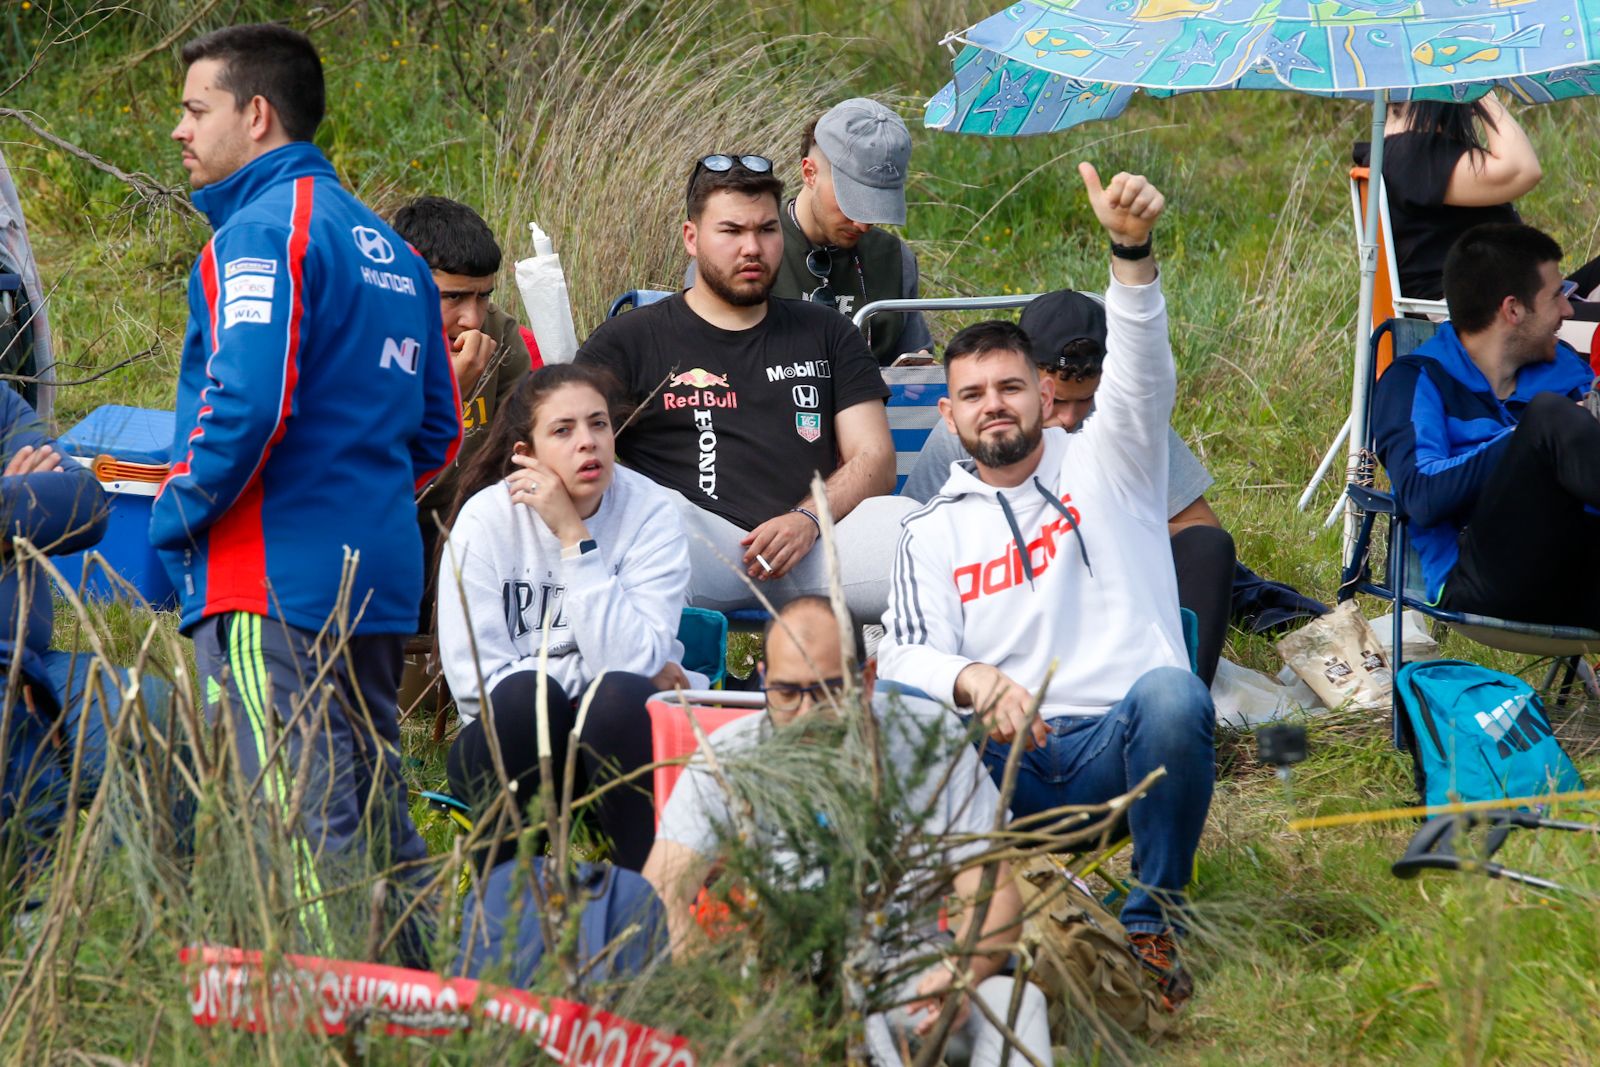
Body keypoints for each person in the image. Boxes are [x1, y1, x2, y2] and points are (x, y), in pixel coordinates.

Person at [154, 24, 460, 966]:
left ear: (256, 114)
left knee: (302, 827)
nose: (178, 131)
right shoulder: (395, 252)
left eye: (195, 109)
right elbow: (436, 430)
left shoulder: (260, 233)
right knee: (376, 817)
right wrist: (351, 497)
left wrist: (174, 515)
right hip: (372, 582)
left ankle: (340, 1019)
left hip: (268, 585)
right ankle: (424, 1007)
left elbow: (246, 403)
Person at [876, 164, 1215, 1008]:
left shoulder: (1111, 462)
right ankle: (953, 923)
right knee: (902, 712)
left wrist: (1129, 253)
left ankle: (1152, 920)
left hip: (1117, 751)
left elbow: (1142, 372)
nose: (996, 405)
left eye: (1011, 388)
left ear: (1045, 394)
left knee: (1175, 694)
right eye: (974, 394)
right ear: (948, 415)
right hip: (1003, 762)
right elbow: (899, 655)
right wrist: (971, 677)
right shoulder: (929, 527)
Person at [641, 596, 1052, 1067]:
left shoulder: (927, 745)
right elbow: (660, 893)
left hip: (907, 980)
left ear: (867, 681)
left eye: (826, 691)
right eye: (786, 693)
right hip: (779, 989)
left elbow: (992, 896)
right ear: (762, 679)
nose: (806, 713)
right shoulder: (726, 759)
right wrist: (718, 994)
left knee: (1016, 1005)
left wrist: (963, 971)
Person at [576, 154, 913, 620]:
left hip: (812, 545)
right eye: (731, 231)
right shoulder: (629, 340)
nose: (752, 248)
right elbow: (573, 445)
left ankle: (909, 686)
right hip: (695, 550)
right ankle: (654, 687)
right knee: (652, 515)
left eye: (766, 230)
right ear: (692, 239)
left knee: (907, 530)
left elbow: (874, 459)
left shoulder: (828, 331)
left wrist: (807, 518)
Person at [903, 289, 1237, 683]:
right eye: (1056, 400)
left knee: (1211, 550)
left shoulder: (1121, 424)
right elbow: (911, 533)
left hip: (1110, 596)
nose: (1068, 418)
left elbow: (1202, 531)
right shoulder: (980, 428)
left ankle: (1184, 689)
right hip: (1005, 597)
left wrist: (1102, 529)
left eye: (1087, 400)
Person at [440, 365, 699, 873]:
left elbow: (633, 664)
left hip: (622, 738)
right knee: (524, 701)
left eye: (598, 424)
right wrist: (583, 682)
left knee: (621, 699)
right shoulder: (485, 522)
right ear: (525, 453)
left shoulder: (650, 512)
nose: (588, 443)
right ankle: (509, 917)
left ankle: (647, 911)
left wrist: (573, 538)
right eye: (563, 430)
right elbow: (477, 686)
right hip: (513, 749)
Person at [1373, 223, 1600, 627]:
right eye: (1555, 297)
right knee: (1547, 418)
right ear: (1512, 310)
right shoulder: (1417, 378)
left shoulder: (1565, 366)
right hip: (1481, 577)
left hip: (1580, 567)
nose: (1568, 310)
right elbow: (1422, 495)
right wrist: (1524, 439)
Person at [0, 390, 170, 884]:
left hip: (33, 668)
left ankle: (129, 920)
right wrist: (16, 507)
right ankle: (26, 913)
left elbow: (85, 504)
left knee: (144, 707)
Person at [685, 99, 932, 364]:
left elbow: (915, 355)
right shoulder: (743, 248)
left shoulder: (895, 260)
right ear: (809, 173)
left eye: (876, 208)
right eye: (852, 203)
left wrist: (919, 374)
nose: (862, 225)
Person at [391, 195, 541, 632]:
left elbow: (525, 452)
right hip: (392, 521)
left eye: (483, 296)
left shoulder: (502, 335)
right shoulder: (375, 335)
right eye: (453, 297)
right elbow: (361, 462)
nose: (472, 318)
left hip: (470, 526)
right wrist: (447, 393)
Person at [1368, 96, 1541, 302]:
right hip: (1484, 317)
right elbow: (1522, 169)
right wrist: (1480, 89)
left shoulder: (1398, 154)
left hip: (1503, 304)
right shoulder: (1414, 155)